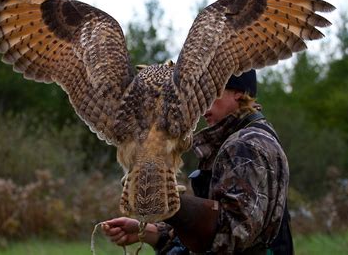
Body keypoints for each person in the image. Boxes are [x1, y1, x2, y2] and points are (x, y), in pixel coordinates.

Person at [102, 70, 293, 254]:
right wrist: (151, 233)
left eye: (209, 94)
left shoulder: (245, 145)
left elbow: (233, 235)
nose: (201, 106)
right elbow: (207, 238)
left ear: (239, 93)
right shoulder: (240, 139)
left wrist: (170, 204)